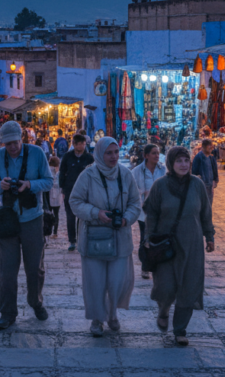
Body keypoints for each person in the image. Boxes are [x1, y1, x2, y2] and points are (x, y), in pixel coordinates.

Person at [69, 137, 141, 337]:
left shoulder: (125, 175)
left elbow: (135, 203)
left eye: (116, 152)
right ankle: (97, 319)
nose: (113, 157)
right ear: (100, 154)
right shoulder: (88, 175)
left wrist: (126, 218)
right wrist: (95, 213)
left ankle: (112, 313)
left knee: (117, 281)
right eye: (108, 153)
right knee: (95, 282)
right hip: (95, 238)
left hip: (120, 237)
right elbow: (75, 201)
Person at [144, 146, 215, 346]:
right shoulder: (160, 186)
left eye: (186, 160)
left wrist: (209, 236)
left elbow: (205, 214)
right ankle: (164, 309)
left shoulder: (197, 185)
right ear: (170, 164)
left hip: (192, 245)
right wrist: (148, 237)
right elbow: (151, 214)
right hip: (166, 245)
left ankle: (180, 329)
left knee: (189, 286)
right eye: (179, 161)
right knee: (165, 286)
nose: (184, 165)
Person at [0, 121, 54, 330]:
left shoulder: (36, 153)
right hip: (8, 219)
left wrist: (29, 185)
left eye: (15, 143)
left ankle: (36, 301)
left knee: (35, 268)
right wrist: (1, 185)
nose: (13, 147)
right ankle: (7, 313)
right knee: (7, 270)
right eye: (8, 144)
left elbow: (49, 181)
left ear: (21, 139)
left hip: (33, 218)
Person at [130, 144, 166, 280]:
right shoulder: (137, 171)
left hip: (160, 211)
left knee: (159, 239)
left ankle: (158, 266)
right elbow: (131, 190)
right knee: (145, 239)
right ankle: (145, 267)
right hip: (144, 211)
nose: (157, 155)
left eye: (158, 153)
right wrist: (143, 193)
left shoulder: (163, 170)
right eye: (153, 153)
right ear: (146, 156)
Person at [58, 134, 94, 251]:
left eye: (84, 144)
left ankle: (82, 239)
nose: (82, 146)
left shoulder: (89, 158)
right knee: (70, 215)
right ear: (74, 144)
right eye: (80, 144)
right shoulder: (67, 157)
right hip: (70, 189)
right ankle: (72, 240)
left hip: (85, 190)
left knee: (83, 215)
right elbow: (62, 172)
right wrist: (62, 188)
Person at [192, 139, 219, 206]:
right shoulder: (198, 158)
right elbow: (194, 173)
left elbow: (215, 170)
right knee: (202, 206)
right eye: (209, 146)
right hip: (202, 187)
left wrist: (215, 181)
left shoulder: (211, 158)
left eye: (211, 146)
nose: (211, 148)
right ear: (203, 147)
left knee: (209, 205)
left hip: (210, 186)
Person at [45, 155, 62, 240]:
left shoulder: (48, 170)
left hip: (49, 195)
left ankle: (49, 231)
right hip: (57, 196)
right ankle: (54, 232)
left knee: (48, 214)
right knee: (56, 215)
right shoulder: (58, 171)